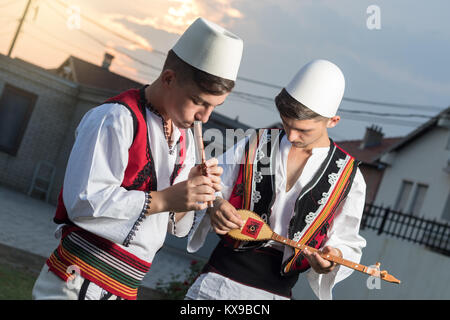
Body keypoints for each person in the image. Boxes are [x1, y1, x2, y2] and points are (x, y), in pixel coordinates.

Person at [32, 17, 243, 300]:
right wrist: (166, 199)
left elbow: (175, 226)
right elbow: (84, 202)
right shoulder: (115, 118)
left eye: (214, 106)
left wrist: (191, 193)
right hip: (76, 282)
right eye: (199, 101)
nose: (204, 117)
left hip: (123, 288)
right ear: (169, 78)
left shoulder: (183, 138)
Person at [186, 59, 367, 300]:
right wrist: (215, 205)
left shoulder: (349, 177)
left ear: (332, 121)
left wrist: (333, 259)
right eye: (286, 123)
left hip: (275, 294)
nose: (291, 135)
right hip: (216, 285)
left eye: (303, 130)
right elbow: (209, 185)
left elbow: (347, 241)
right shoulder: (256, 142)